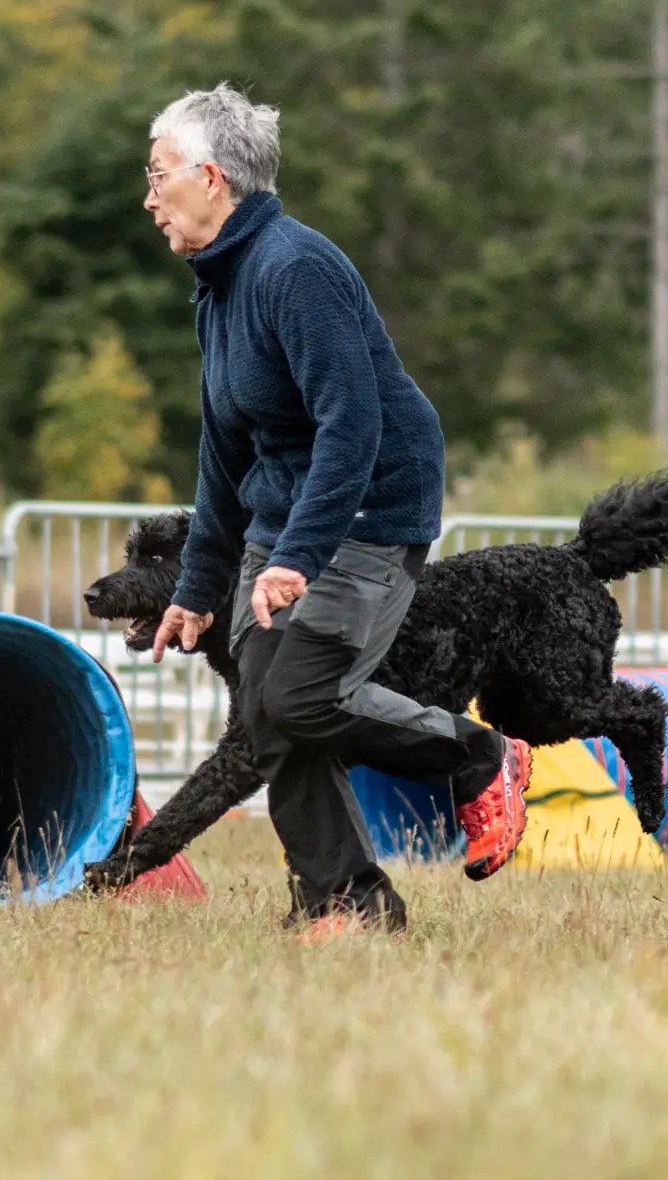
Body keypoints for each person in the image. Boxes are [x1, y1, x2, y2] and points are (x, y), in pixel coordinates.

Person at [143, 82, 533, 939]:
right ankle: (344, 902)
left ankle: (479, 754)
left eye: (158, 172)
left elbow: (349, 426)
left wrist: (300, 556)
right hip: (283, 514)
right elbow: (223, 448)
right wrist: (200, 582)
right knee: (268, 706)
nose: (148, 197)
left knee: (296, 697)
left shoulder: (297, 268)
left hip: (366, 507)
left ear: (211, 178)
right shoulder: (217, 287)